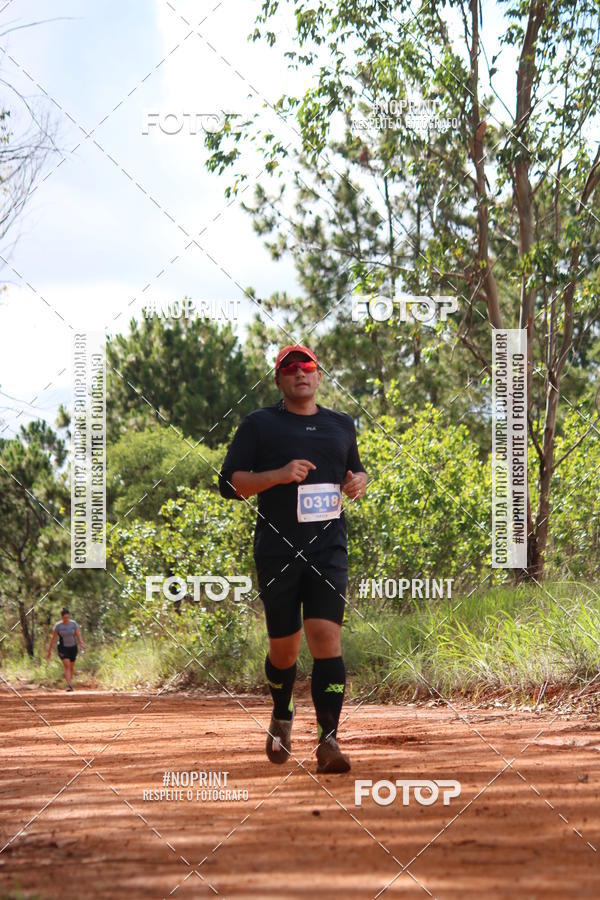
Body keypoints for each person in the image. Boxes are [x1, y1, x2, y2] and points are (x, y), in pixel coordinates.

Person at [219, 344, 368, 773]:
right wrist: (280, 475)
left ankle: (329, 741)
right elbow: (230, 484)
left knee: (326, 637)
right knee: (285, 651)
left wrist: (358, 480)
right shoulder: (260, 425)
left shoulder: (341, 424)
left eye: (308, 366)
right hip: (278, 549)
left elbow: (353, 471)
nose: (300, 372)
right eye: (290, 367)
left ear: (319, 376)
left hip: (328, 548)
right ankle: (282, 712)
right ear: (279, 378)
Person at [46, 607, 86, 691]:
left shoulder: (73, 624)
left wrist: (81, 643)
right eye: (64, 618)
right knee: (67, 666)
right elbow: (53, 639)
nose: (66, 619)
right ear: (61, 617)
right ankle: (68, 685)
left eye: (67, 617)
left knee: (71, 667)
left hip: (73, 647)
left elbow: (78, 635)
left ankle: (70, 683)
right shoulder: (58, 626)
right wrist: (49, 651)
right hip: (62, 648)